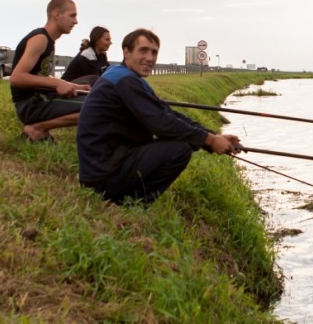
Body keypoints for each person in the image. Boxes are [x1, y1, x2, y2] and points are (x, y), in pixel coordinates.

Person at [77, 28, 242, 204]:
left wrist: (213, 136)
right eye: (143, 50)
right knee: (179, 150)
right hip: (103, 175)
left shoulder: (124, 76)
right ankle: (133, 202)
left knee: (179, 141)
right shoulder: (126, 81)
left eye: (154, 52)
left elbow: (166, 112)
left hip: (107, 164)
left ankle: (128, 197)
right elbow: (162, 124)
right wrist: (208, 140)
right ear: (126, 52)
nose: (150, 57)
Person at [10, 0, 91, 143]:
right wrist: (56, 84)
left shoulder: (49, 40)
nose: (76, 21)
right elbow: (17, 78)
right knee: (97, 106)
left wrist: (74, 86)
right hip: (30, 105)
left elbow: (42, 75)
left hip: (40, 98)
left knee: (97, 98)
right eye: (72, 15)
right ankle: (37, 129)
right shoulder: (40, 38)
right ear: (57, 15)